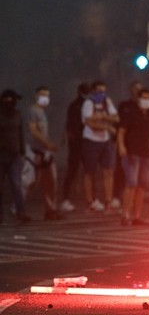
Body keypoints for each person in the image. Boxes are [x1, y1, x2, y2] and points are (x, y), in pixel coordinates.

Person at [116, 87, 149, 225]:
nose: (147, 101)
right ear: (139, 99)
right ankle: (125, 215)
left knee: (141, 185)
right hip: (132, 153)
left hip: (146, 154)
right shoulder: (131, 113)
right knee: (131, 183)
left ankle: (136, 216)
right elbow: (121, 131)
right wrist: (121, 146)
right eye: (145, 98)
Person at [81, 81, 120, 214]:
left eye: (103, 91)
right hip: (91, 140)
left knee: (108, 171)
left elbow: (116, 118)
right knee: (89, 173)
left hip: (105, 140)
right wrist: (107, 126)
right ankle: (89, 202)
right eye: (98, 91)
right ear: (92, 91)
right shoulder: (88, 103)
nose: (101, 94)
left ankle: (108, 202)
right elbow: (89, 123)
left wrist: (103, 117)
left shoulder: (107, 101)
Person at [26, 86, 62, 220]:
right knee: (31, 182)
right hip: (35, 151)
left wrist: (47, 147)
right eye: (42, 94)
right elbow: (33, 131)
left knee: (51, 181)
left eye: (47, 95)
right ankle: (17, 208)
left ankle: (51, 210)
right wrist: (47, 144)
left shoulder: (42, 112)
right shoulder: (33, 110)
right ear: (36, 95)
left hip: (45, 151)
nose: (45, 98)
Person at [0, 89, 30, 223]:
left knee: (16, 184)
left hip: (15, 156)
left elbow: (20, 133)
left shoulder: (18, 114)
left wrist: (23, 152)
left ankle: (21, 212)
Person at [59, 82, 89, 212]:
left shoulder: (88, 105)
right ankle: (66, 199)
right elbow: (70, 124)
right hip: (77, 143)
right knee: (73, 171)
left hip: (87, 142)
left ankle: (90, 199)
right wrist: (70, 137)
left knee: (89, 171)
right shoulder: (75, 106)